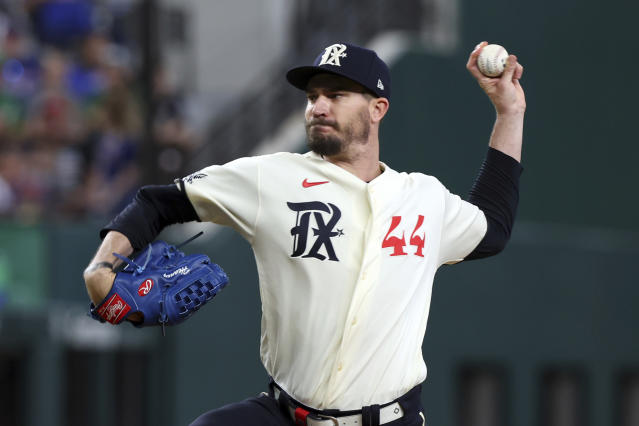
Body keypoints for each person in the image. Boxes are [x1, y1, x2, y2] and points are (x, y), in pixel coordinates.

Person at [83, 41, 525, 426]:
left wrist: (510, 111)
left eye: (336, 94)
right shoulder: (271, 177)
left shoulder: (423, 197)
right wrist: (103, 265)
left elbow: (493, 227)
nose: (318, 106)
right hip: (284, 414)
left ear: (378, 108)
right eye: (313, 95)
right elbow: (159, 202)